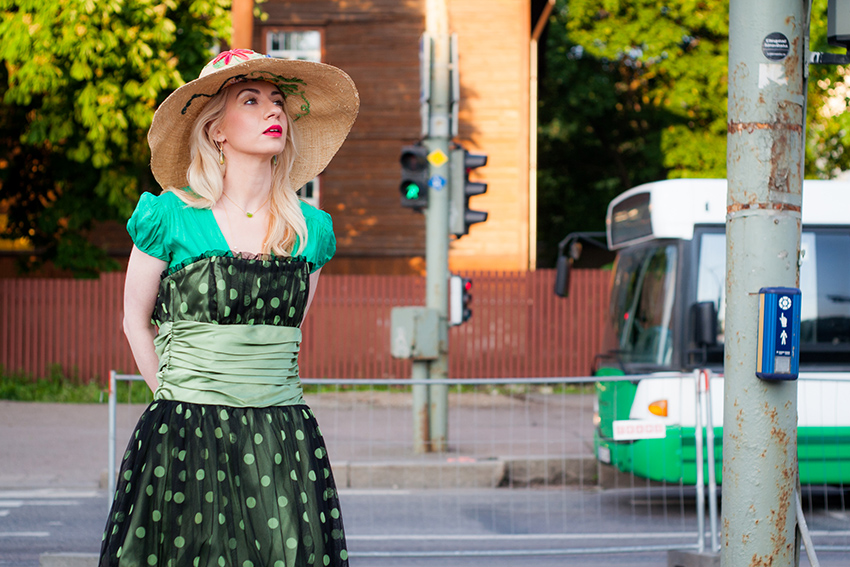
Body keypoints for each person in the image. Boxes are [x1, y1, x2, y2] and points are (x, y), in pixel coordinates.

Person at [99, 49, 359, 567]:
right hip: (184, 431)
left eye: (278, 101)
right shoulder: (170, 215)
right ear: (216, 129)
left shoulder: (310, 230)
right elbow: (134, 321)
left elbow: (289, 333)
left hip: (280, 437)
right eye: (251, 100)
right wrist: (176, 397)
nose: (274, 110)